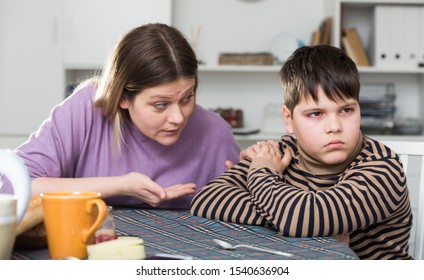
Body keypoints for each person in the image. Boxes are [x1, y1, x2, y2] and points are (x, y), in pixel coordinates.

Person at [190, 45, 412, 260]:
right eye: (316, 114)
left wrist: (261, 174)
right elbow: (206, 199)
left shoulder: (382, 168)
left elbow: (299, 217)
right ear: (289, 119)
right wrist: (296, 219)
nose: (334, 126)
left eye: (346, 110)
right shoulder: (279, 153)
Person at [0, 23, 240, 209]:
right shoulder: (86, 108)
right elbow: (13, 187)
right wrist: (121, 185)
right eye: (160, 105)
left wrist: (258, 173)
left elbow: (241, 209)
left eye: (187, 98)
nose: (178, 117)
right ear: (122, 98)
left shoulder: (214, 132)